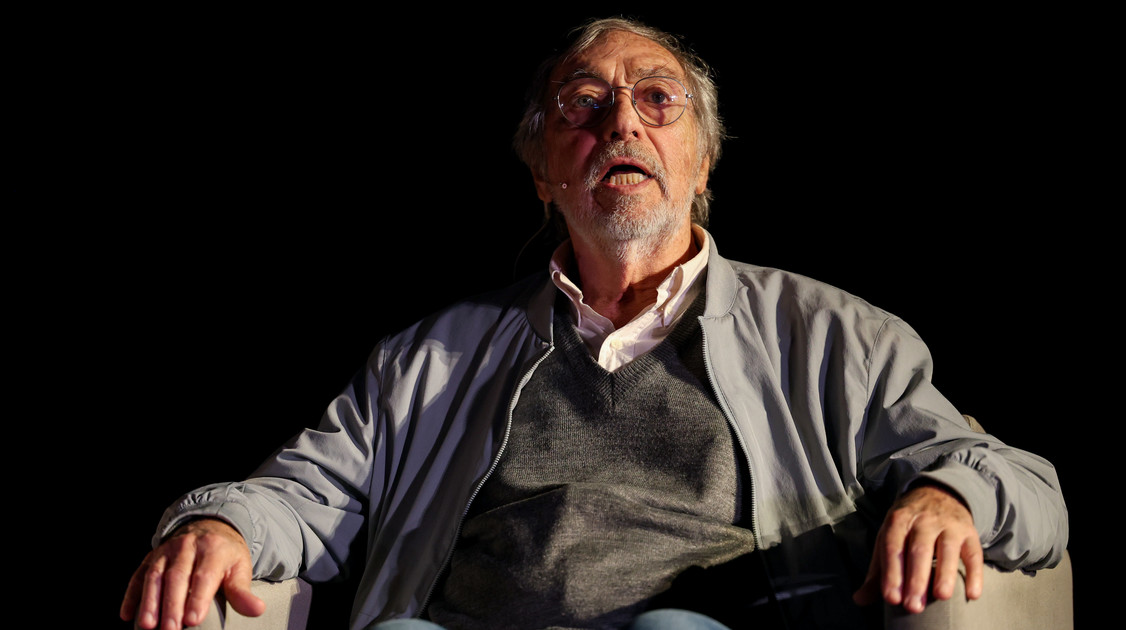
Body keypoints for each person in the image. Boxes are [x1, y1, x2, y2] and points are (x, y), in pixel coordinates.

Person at [121, 16, 1068, 630]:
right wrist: (221, 523)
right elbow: (306, 493)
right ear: (544, 174)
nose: (622, 123)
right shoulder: (430, 357)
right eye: (584, 103)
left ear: (702, 163)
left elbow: (1027, 488)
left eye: (658, 99)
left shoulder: (834, 335)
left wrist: (951, 495)